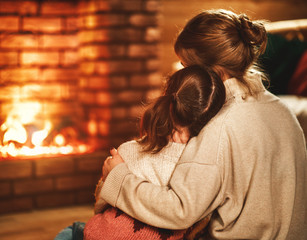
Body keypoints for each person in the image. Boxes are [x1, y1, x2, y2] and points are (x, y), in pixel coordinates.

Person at [100, 9, 307, 240]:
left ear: (209, 73)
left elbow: (179, 210)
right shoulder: (282, 110)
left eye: (185, 65)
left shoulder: (218, 125)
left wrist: (118, 177)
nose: (181, 73)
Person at [55, 65, 226, 240]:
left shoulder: (128, 152)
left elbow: (100, 203)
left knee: (72, 231)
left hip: (101, 235)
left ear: (168, 103)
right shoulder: (209, 165)